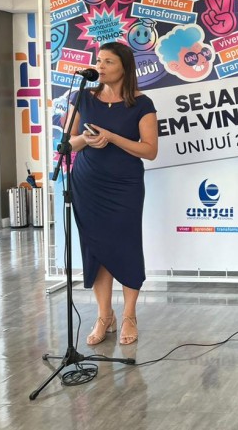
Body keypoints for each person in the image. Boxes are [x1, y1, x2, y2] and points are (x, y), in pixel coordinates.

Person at [67, 42, 158, 346]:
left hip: (124, 186)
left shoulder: (142, 104)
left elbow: (150, 150)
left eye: (108, 62)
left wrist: (112, 137)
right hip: (87, 184)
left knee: (126, 246)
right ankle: (104, 316)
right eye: (99, 60)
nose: (100, 66)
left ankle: (129, 315)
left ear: (124, 67)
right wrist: (85, 138)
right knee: (96, 249)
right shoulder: (83, 97)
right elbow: (68, 143)